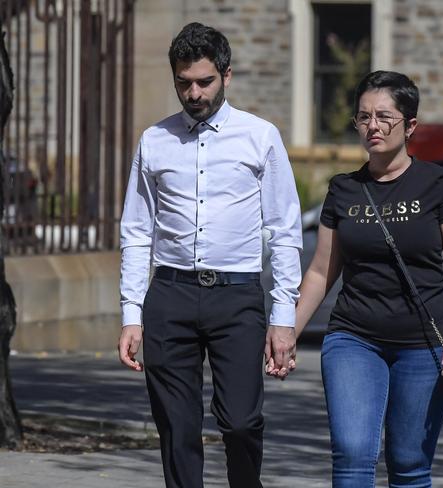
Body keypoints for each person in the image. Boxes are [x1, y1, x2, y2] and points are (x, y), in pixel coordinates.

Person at [117, 22, 302, 488]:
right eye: (184, 83)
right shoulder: (154, 141)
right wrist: (131, 314)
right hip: (170, 295)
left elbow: (283, 231)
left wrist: (283, 318)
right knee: (177, 429)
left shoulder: (260, 137)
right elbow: (137, 231)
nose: (194, 92)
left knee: (240, 422)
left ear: (227, 75)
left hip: (236, 297)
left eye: (204, 81)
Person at [294, 70, 443, 487]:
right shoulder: (344, 190)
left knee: (409, 464)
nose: (372, 126)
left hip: (426, 347)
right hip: (354, 338)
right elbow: (322, 270)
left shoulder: (439, 185)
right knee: (352, 455)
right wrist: (288, 331)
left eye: (384, 117)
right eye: (363, 117)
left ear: (410, 125)